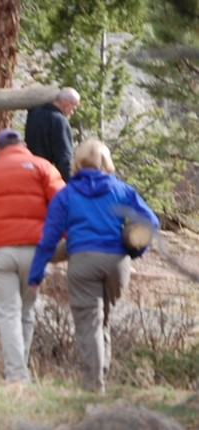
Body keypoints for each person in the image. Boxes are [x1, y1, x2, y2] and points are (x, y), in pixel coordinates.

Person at [28, 138, 159, 393]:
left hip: (83, 262)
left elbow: (49, 239)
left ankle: (92, 388)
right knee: (103, 322)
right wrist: (136, 249)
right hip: (117, 263)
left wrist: (35, 274)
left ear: (76, 162)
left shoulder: (67, 194)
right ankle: (103, 381)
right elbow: (151, 223)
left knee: (89, 324)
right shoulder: (122, 190)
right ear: (106, 162)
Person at [0, 128, 65, 384]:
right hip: (36, 250)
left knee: (8, 313)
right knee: (26, 311)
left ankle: (16, 375)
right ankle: (20, 372)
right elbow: (62, 203)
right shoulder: (43, 166)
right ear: (23, 145)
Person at [24, 87, 80, 182]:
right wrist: (71, 183)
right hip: (48, 176)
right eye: (74, 107)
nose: (73, 112)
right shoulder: (59, 120)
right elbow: (64, 157)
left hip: (30, 173)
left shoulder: (34, 115)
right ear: (67, 103)